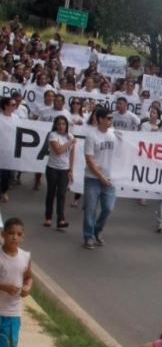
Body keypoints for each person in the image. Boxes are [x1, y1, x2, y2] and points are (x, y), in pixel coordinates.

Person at [0, 218, 32, 347]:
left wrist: (27, 287)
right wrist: (4, 287)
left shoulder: (25, 257)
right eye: (11, 233)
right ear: (2, 234)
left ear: (23, 237)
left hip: (13, 313)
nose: (14, 237)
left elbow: (28, 276)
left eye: (19, 234)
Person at [82, 107, 116, 250]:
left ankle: (97, 230)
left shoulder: (114, 135)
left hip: (109, 180)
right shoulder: (91, 136)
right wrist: (100, 177)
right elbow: (89, 160)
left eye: (111, 118)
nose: (111, 121)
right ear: (100, 119)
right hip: (93, 179)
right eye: (108, 118)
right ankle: (88, 236)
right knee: (90, 209)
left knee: (108, 208)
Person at [44, 115, 75, 229]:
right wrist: (69, 143)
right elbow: (58, 151)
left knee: (61, 194)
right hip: (52, 168)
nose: (61, 126)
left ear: (66, 125)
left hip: (64, 169)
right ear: (55, 125)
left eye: (63, 124)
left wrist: (71, 169)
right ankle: (48, 217)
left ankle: (61, 219)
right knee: (51, 193)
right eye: (59, 124)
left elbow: (72, 154)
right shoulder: (53, 135)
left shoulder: (70, 136)